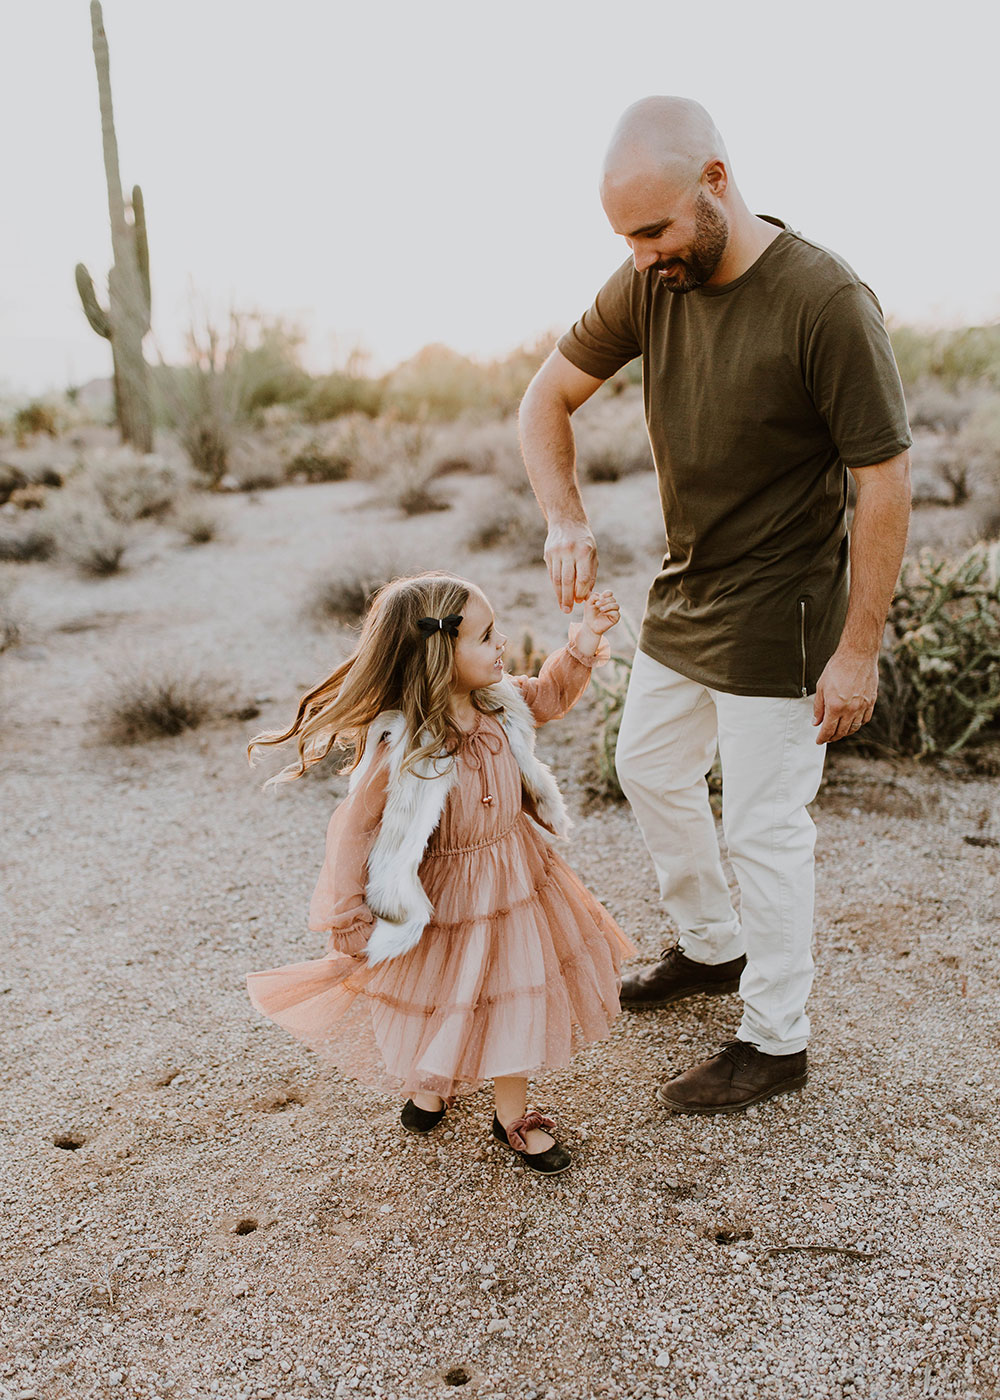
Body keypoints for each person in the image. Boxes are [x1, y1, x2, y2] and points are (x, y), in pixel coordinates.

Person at [518, 96, 912, 1114]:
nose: (642, 254)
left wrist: (857, 650)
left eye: (652, 229)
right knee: (645, 762)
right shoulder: (652, 280)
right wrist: (564, 518)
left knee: (765, 829)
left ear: (717, 185)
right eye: (625, 236)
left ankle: (776, 1039)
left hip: (783, 611)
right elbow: (543, 400)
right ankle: (711, 945)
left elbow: (884, 480)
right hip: (688, 590)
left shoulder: (825, 300)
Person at [246, 572, 634, 1174]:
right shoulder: (405, 744)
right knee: (446, 994)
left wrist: (585, 639)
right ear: (439, 654)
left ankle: (512, 1114)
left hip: (517, 878)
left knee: (514, 989)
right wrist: (350, 912)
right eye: (485, 637)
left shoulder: (500, 703)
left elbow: (552, 695)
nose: (502, 644)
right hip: (445, 895)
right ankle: (433, 1083)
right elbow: (353, 830)